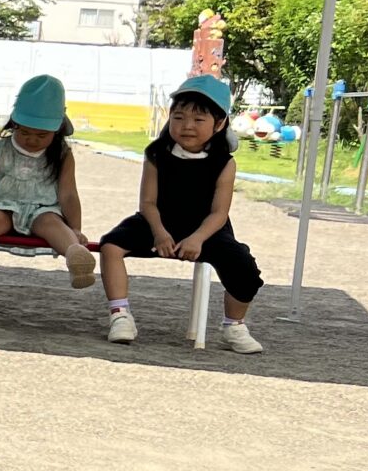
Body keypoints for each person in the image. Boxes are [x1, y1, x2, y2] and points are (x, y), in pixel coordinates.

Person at [97, 74, 266, 353]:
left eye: (199, 120)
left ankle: (233, 325)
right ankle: (120, 315)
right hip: (157, 221)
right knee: (111, 245)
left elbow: (219, 213)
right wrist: (160, 232)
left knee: (244, 266)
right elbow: (148, 202)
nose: (187, 126)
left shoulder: (224, 162)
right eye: (178, 117)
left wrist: (197, 239)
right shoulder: (156, 153)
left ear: (219, 123)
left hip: (207, 228)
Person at [0, 73, 95, 292]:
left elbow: (68, 193)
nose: (32, 140)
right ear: (14, 124)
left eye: (41, 135)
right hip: (3, 205)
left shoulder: (62, 155)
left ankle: (76, 256)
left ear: (56, 131)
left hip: (43, 208)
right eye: (25, 132)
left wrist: (76, 227)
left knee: (51, 221)